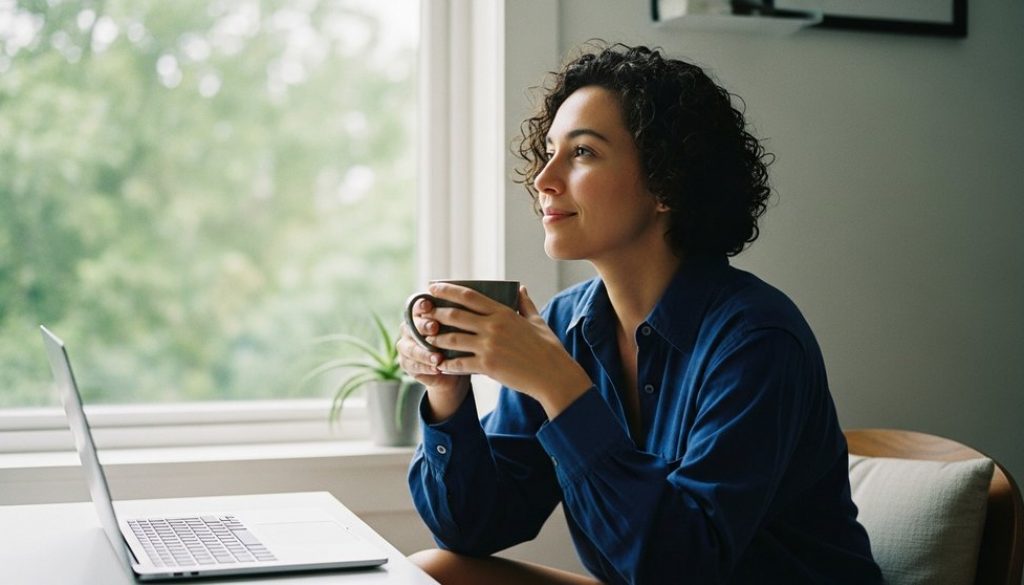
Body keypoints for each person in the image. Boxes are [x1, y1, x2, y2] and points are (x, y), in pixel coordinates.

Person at [396, 43, 882, 585]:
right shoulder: (563, 326)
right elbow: (474, 530)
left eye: (582, 153)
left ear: (666, 182)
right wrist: (447, 393)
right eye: (549, 150)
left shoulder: (756, 339)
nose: (544, 179)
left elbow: (682, 566)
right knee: (436, 572)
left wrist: (561, 388)